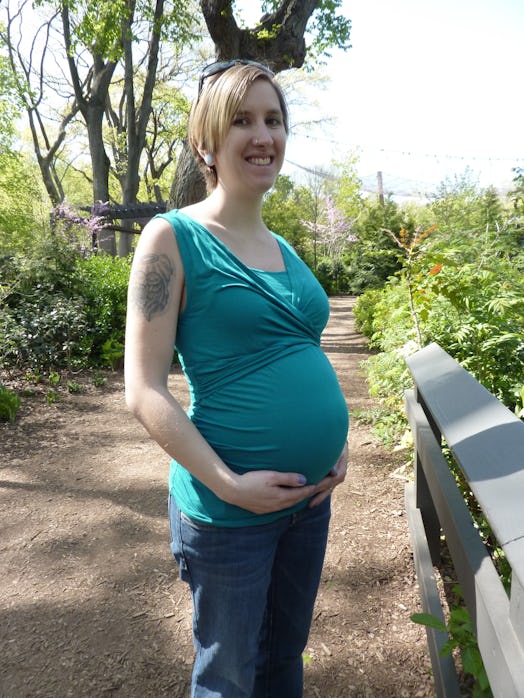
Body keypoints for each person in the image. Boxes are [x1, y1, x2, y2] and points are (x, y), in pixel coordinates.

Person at [124, 59, 349, 698]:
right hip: (229, 512)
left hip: (308, 502)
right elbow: (142, 388)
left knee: (284, 659)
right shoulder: (173, 237)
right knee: (227, 675)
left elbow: (297, 351)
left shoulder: (284, 246)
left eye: (274, 120)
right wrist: (229, 483)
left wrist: (334, 443)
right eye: (243, 120)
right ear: (206, 144)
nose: (263, 136)